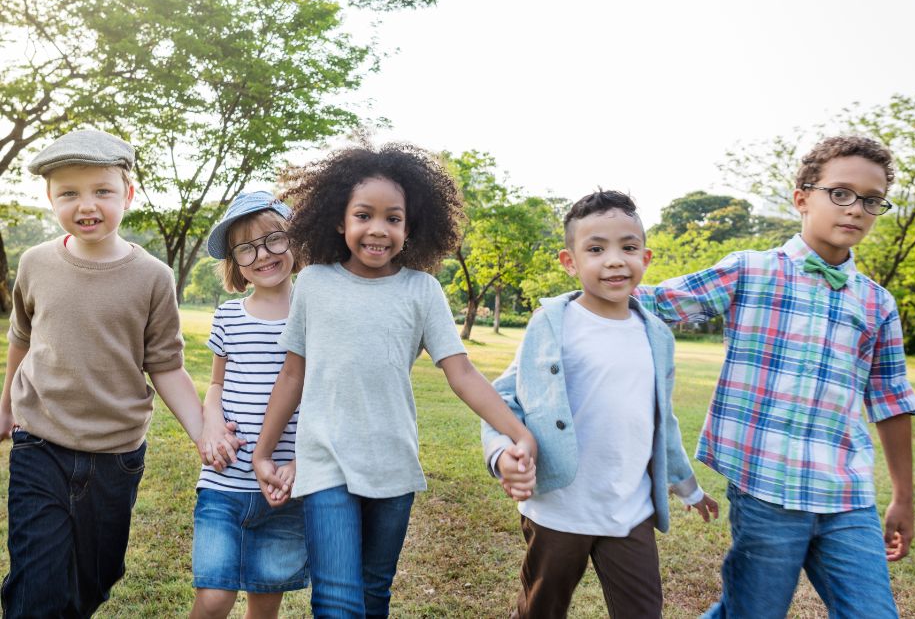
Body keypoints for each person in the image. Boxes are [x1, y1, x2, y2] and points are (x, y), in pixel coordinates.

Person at [636, 135, 915, 619]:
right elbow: (652, 302)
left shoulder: (878, 303)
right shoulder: (751, 271)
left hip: (845, 493)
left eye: (872, 200)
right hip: (767, 484)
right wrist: (581, 285)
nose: (856, 209)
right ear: (802, 197)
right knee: (751, 612)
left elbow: (891, 400)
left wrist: (903, 498)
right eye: (841, 193)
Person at [251, 143, 537, 618]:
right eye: (364, 215)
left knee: (372, 594)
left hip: (392, 463)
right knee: (338, 601)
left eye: (394, 218)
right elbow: (292, 374)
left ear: (411, 227)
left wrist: (518, 431)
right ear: (340, 222)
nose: (378, 229)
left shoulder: (422, 291)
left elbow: (461, 374)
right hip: (325, 462)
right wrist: (264, 451)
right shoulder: (315, 284)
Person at [0, 128, 226, 618]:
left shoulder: (153, 278)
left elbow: (165, 366)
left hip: (115, 457)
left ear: (127, 193)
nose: (87, 205)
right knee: (35, 586)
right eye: (69, 193)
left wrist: (203, 432)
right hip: (40, 445)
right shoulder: (35, 263)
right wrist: (4, 410)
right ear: (50, 198)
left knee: (94, 581)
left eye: (102, 191)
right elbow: (22, 340)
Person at [482, 189, 718, 619]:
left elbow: (661, 423)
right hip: (560, 507)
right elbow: (504, 398)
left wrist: (689, 488)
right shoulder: (553, 323)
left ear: (645, 258)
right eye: (596, 249)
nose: (614, 260)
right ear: (569, 262)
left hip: (630, 509)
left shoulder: (657, 335)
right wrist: (502, 454)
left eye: (628, 248)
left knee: (643, 610)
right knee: (541, 608)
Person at [190, 191, 309, 618]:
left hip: (285, 485)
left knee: (264, 602)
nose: (263, 254)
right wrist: (211, 424)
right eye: (247, 248)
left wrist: (301, 462)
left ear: (295, 242)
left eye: (274, 239)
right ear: (235, 263)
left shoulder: (315, 314)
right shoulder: (229, 316)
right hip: (225, 480)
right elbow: (216, 385)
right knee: (214, 597)